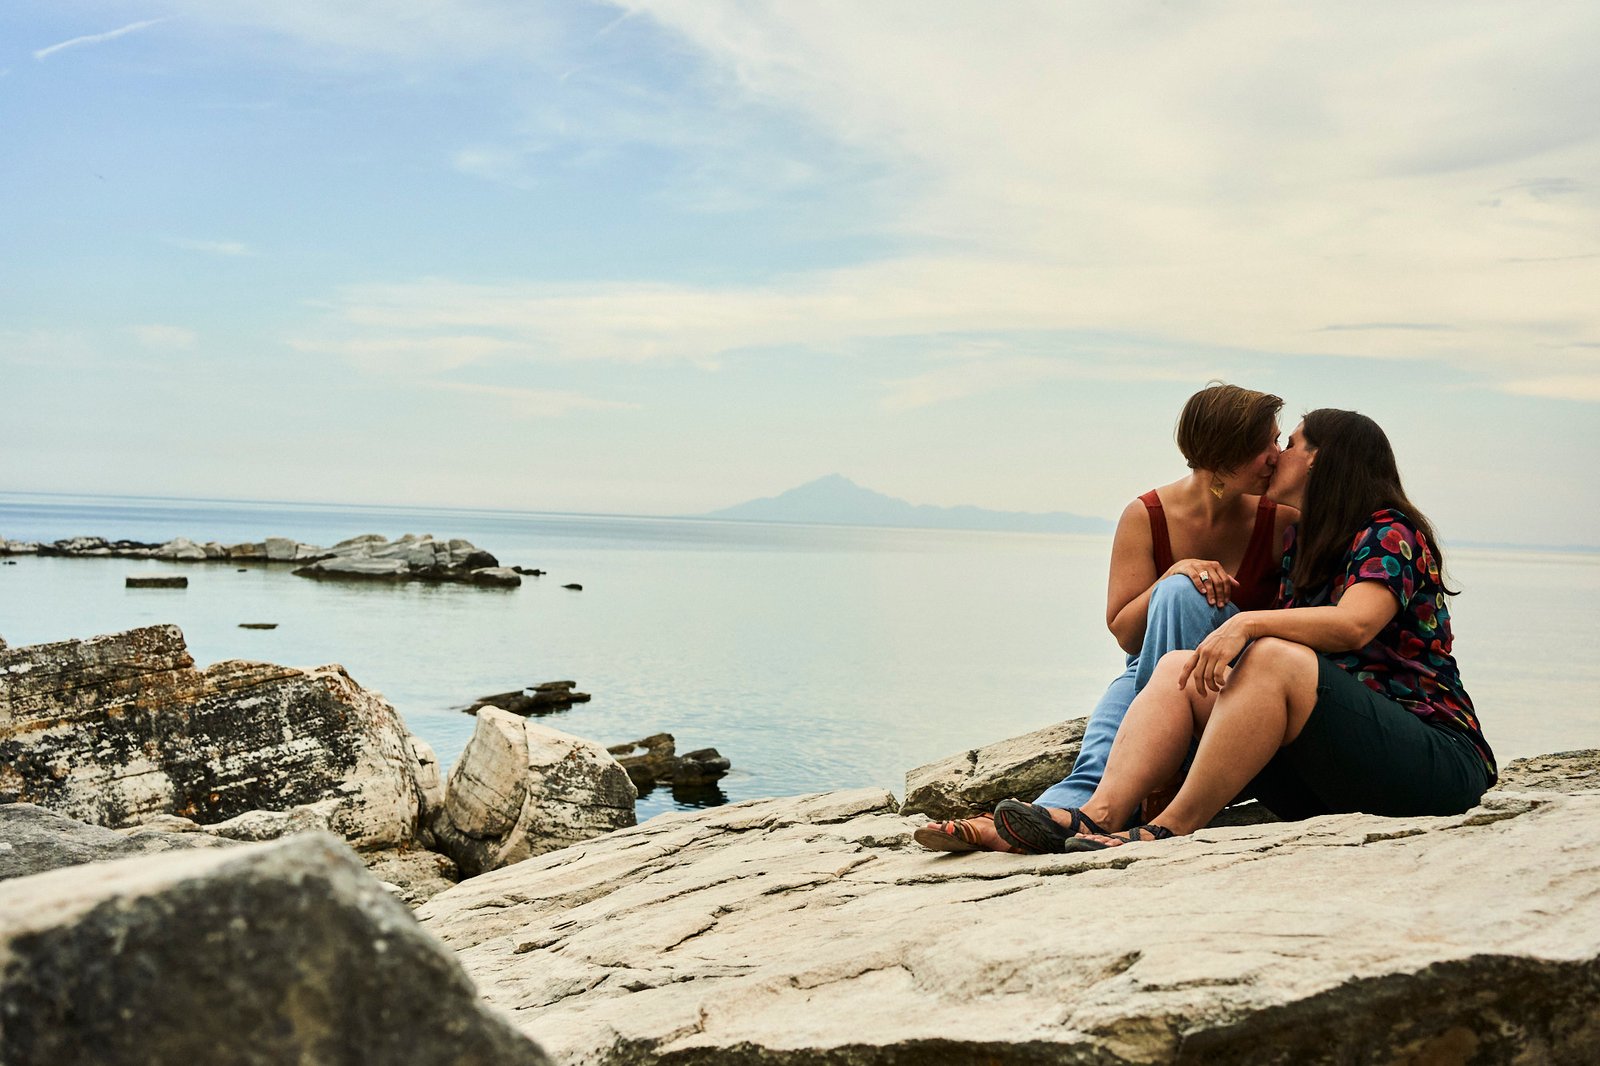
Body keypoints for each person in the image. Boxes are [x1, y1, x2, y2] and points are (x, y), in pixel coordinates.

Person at [988, 409, 1496, 853]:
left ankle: (1171, 827)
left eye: (1290, 443)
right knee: (1173, 670)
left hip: (1431, 766)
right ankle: (1100, 813)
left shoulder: (1389, 531)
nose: (1278, 455)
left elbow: (1353, 625)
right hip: (1329, 774)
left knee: (1273, 657)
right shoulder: (1305, 541)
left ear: (1319, 459)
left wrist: (1247, 623)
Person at [916, 382, 1296, 852]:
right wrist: (1169, 574)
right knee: (1105, 740)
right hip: (1151, 676)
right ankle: (1028, 827)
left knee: (1180, 599)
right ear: (1226, 455)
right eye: (1267, 445)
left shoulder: (1282, 521)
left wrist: (1179, 587)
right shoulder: (1147, 515)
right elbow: (1124, 632)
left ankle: (1143, 788)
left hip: (1232, 687)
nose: (1278, 456)